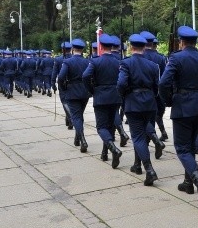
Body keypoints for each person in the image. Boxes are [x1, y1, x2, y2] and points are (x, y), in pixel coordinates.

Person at [159, 26, 198, 208]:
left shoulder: (176, 58)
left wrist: (168, 100)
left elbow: (163, 83)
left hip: (182, 104)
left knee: (182, 148)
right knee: (191, 144)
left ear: (181, 42)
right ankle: (188, 183)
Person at [118, 34, 162, 186]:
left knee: (137, 137)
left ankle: (149, 169)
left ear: (131, 47)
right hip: (149, 103)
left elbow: (121, 84)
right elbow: (157, 87)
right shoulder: (152, 65)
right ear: (144, 48)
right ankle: (137, 165)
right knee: (143, 135)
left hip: (133, 103)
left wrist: (124, 96)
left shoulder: (126, 63)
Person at [83, 34, 122, 167]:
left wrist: (92, 90)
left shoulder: (96, 61)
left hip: (101, 96)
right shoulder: (118, 62)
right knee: (110, 126)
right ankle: (105, 153)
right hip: (115, 96)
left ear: (101, 46)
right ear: (112, 47)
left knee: (101, 127)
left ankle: (113, 149)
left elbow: (85, 76)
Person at [58, 39, 91, 153]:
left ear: (72, 49)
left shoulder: (68, 62)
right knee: (79, 115)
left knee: (76, 116)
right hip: (84, 92)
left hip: (72, 91)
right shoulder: (87, 62)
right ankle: (77, 138)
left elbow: (61, 77)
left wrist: (63, 89)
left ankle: (82, 139)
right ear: (82, 50)